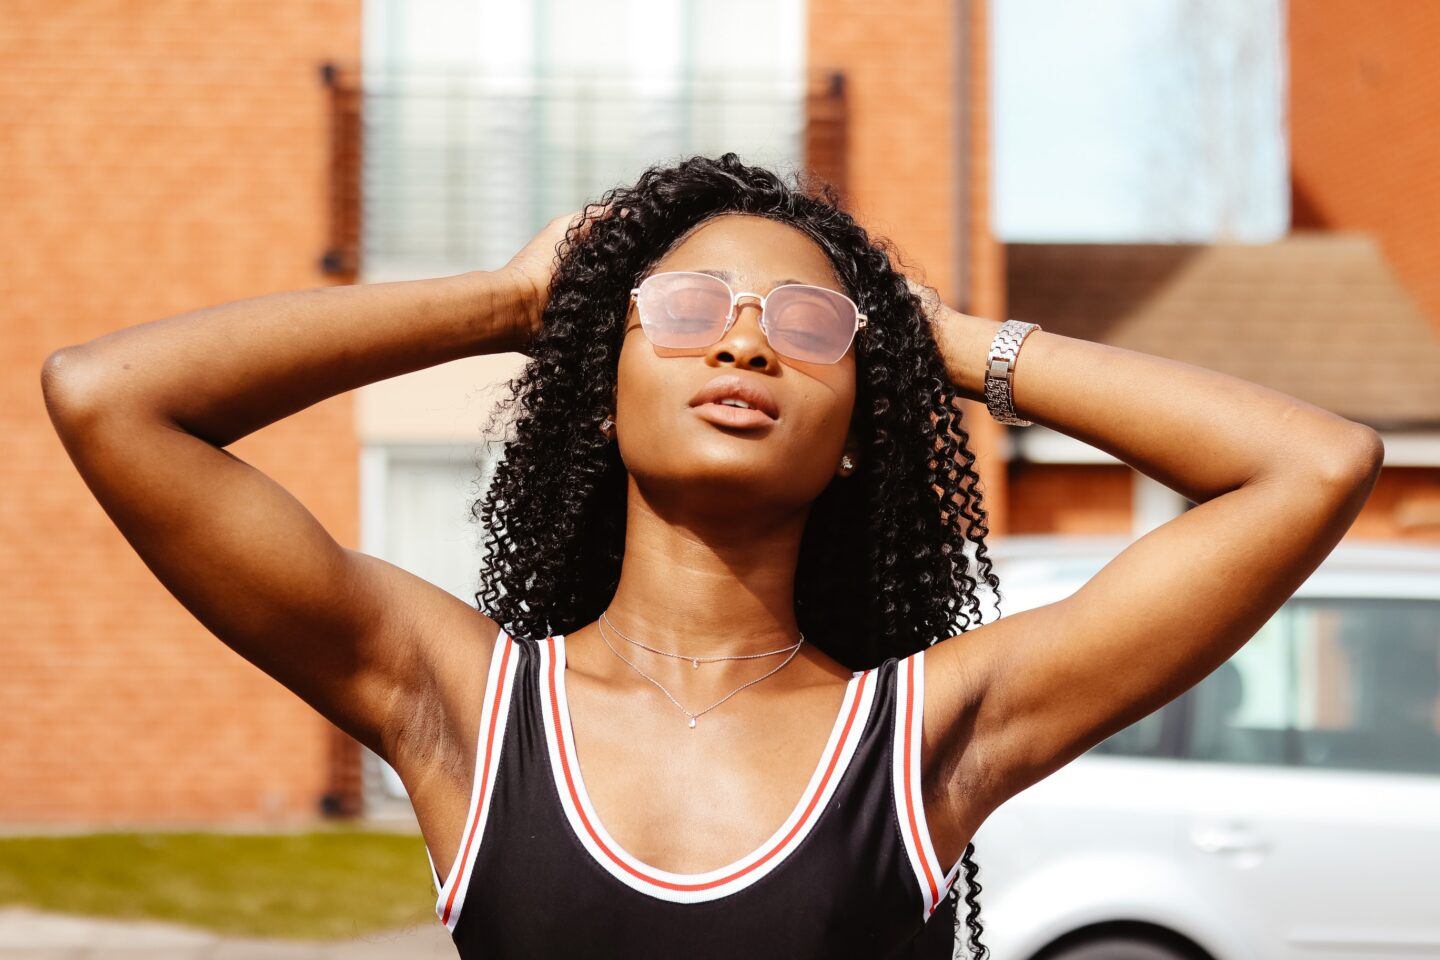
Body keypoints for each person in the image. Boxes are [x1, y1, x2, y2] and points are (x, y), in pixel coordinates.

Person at [40, 153, 1383, 958]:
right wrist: (510, 301)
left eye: (807, 325)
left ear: (857, 431)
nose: (744, 340)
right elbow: (110, 398)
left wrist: (945, 341)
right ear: (600, 389)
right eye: (686, 310)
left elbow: (1312, 466)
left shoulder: (927, 734)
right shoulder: (464, 703)